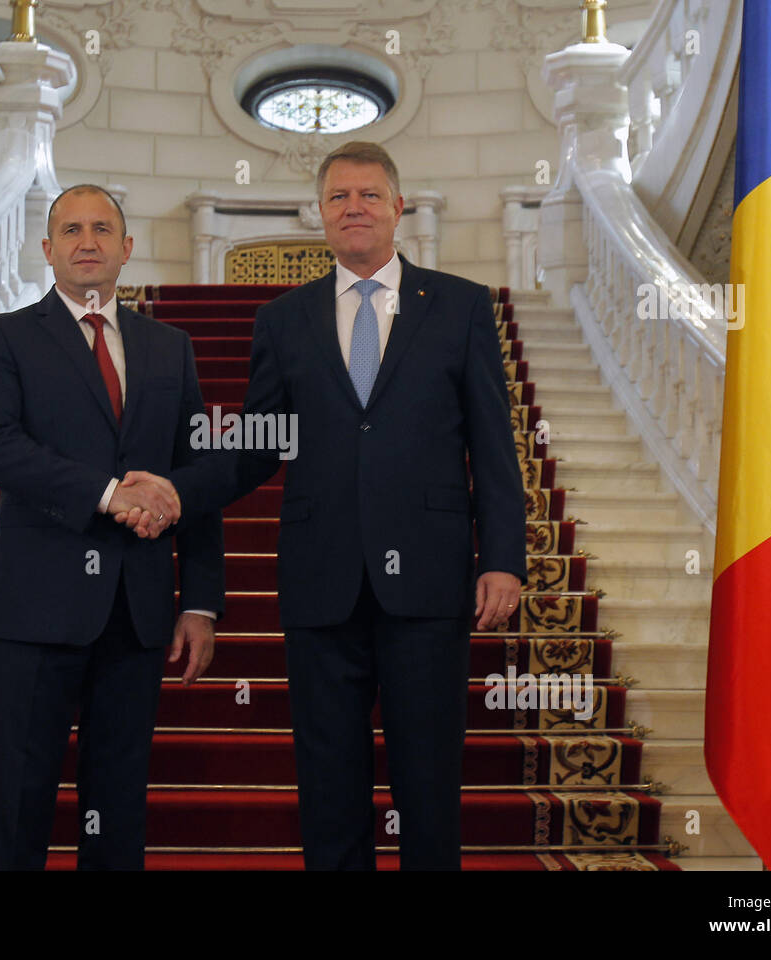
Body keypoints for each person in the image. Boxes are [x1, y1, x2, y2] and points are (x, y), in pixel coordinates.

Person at [121, 141, 527, 870]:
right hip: (321, 582)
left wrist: (502, 560)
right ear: (322, 215)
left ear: (398, 208)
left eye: (370, 195)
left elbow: (494, 447)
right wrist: (180, 490)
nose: (355, 208)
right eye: (340, 197)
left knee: (428, 782)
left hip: (431, 583)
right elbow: (259, 445)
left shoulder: (461, 306)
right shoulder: (283, 319)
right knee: (329, 784)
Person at [0, 184, 224, 870]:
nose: (87, 241)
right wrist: (108, 494)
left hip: (136, 613)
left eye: (102, 229)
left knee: (118, 801)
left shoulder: (170, 348)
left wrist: (199, 602)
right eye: (70, 230)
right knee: (19, 798)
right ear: (46, 250)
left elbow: (195, 478)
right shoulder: (4, 338)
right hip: (36, 609)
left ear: (126, 248)